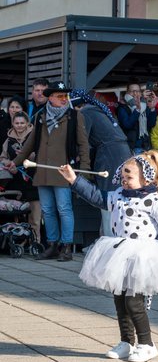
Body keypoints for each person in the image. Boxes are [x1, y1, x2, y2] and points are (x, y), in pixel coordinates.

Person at [59, 151, 158, 362]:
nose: (124, 181)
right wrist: (74, 180)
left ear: (147, 179)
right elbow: (97, 197)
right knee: (120, 300)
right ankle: (126, 342)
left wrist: (156, 246)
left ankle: (146, 344)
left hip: (141, 257)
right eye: (123, 177)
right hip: (120, 255)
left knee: (134, 303)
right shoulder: (118, 195)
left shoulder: (155, 200)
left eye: (130, 178)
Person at [10, 81, 90, 262]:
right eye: (60, 96)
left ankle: (66, 246)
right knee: (47, 210)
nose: (64, 99)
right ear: (51, 97)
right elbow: (30, 142)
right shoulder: (41, 115)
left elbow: (83, 145)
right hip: (42, 171)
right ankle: (52, 244)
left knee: (64, 209)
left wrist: (83, 172)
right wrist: (16, 162)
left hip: (63, 171)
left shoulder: (75, 116)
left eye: (65, 96)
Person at [70, 89, 132, 236]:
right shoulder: (98, 110)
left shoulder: (85, 112)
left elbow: (82, 141)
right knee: (117, 196)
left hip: (109, 155)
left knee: (107, 197)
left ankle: (109, 241)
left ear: (77, 105)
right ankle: (105, 237)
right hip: (122, 152)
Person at [0, 111, 41, 241]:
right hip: (15, 179)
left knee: (35, 214)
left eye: (22, 123)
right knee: (17, 213)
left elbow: (40, 155)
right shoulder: (8, 139)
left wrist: (28, 156)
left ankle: (36, 241)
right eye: (17, 123)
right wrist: (9, 164)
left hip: (32, 178)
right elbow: (3, 157)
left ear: (27, 123)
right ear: (13, 123)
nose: (19, 125)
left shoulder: (34, 135)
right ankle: (19, 241)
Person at [117, 82, 158, 153]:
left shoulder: (144, 105)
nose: (135, 94)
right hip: (131, 146)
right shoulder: (123, 107)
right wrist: (137, 110)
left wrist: (152, 108)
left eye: (138, 91)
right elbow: (127, 125)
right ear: (127, 92)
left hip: (145, 145)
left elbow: (151, 124)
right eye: (132, 91)